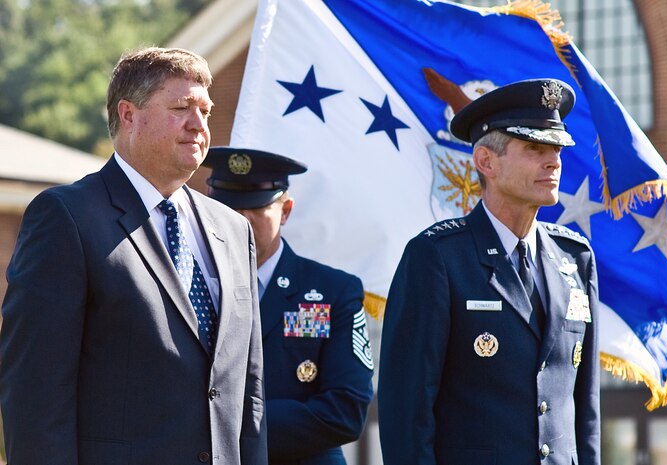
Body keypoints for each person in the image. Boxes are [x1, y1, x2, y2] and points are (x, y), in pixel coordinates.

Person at [0, 47, 266, 464]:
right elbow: (36, 392)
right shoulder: (67, 217)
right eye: (181, 107)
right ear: (128, 115)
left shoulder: (234, 230)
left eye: (206, 112)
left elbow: (248, 394)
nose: (199, 125)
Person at [378, 79, 600, 465]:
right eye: (534, 148)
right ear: (486, 162)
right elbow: (406, 413)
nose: (554, 161)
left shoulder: (576, 258)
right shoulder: (437, 257)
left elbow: (587, 411)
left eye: (557, 149)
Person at [203, 147, 374, 465]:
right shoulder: (185, 285)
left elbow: (346, 410)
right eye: (226, 207)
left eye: (256, 207)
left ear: (285, 211)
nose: (240, 219)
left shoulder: (332, 292)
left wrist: (231, 422)